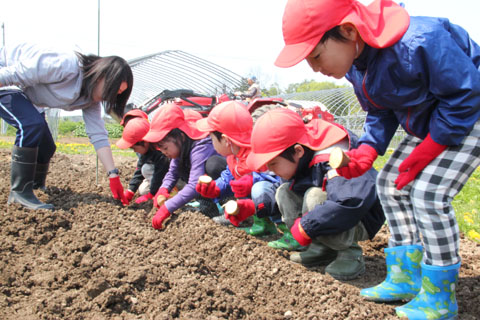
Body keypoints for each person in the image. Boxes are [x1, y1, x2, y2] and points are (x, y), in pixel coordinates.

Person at [275, 0, 480, 318]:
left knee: (429, 193)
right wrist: (368, 149)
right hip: (433, 121)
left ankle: (441, 296)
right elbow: (380, 110)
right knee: (388, 183)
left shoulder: (418, 41)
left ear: (347, 30)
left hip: (469, 114)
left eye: (316, 55)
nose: (315, 68)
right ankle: (404, 277)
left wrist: (431, 147)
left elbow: (466, 93)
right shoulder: (359, 65)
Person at [245, 108, 385, 280]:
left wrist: (307, 226)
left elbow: (349, 202)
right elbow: (285, 189)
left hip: (361, 217)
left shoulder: (333, 158)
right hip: (334, 209)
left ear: (298, 151)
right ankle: (321, 248)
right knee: (284, 192)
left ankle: (350, 253)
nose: (269, 170)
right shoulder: (299, 156)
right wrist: (255, 206)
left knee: (314, 196)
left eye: (273, 163)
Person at [0, 42, 133, 210]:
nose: (111, 97)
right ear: (101, 76)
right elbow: (15, 73)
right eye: (113, 90)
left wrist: (113, 175)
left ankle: (35, 187)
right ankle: (20, 193)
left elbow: (98, 135)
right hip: (7, 76)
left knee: (47, 146)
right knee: (32, 125)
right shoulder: (66, 64)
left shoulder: (90, 100)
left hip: (26, 94)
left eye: (118, 95)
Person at [194, 100, 284, 238]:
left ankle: (286, 229)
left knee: (258, 188)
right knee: (250, 187)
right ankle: (262, 224)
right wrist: (216, 189)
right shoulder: (233, 157)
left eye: (212, 139)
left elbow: (276, 178)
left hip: (276, 196)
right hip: (261, 201)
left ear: (225, 140)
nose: (212, 144)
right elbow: (228, 176)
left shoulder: (255, 154)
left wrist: (252, 178)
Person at [142, 103, 227, 230]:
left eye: (165, 148)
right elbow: (172, 172)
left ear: (180, 137)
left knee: (212, 166)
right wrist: (163, 189)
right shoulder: (182, 147)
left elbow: (194, 185)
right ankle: (208, 206)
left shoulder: (200, 147)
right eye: (161, 149)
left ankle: (229, 205)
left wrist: (168, 207)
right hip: (209, 188)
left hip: (228, 180)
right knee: (184, 169)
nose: (164, 152)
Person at [115, 109, 170, 205]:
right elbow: (138, 170)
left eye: (134, 148)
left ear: (144, 142)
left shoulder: (160, 153)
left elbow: (159, 174)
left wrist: (151, 194)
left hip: (174, 178)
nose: (134, 151)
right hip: (161, 176)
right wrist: (130, 191)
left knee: (147, 169)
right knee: (143, 189)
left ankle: (171, 191)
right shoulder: (146, 150)